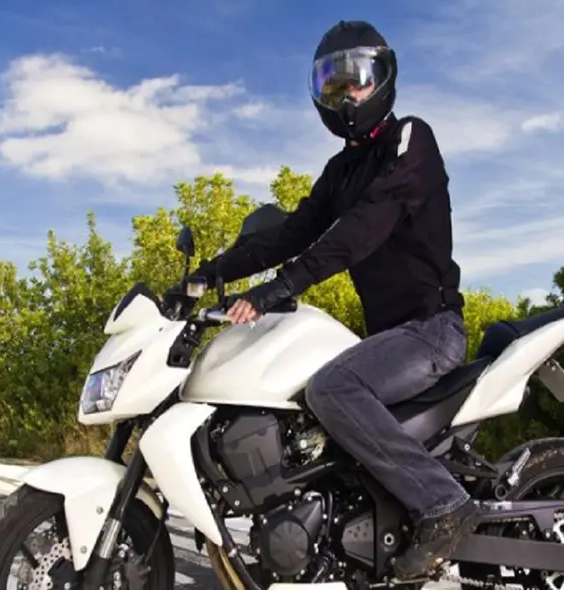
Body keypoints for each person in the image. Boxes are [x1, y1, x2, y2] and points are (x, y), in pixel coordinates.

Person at [181, 20, 483, 579]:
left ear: (383, 78)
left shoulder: (409, 139)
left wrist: (283, 287)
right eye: (333, 85)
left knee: (332, 388)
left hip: (433, 329)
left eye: (357, 81)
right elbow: (289, 234)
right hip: (390, 338)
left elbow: (364, 229)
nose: (347, 95)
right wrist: (205, 275)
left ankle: (444, 505)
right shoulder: (340, 170)